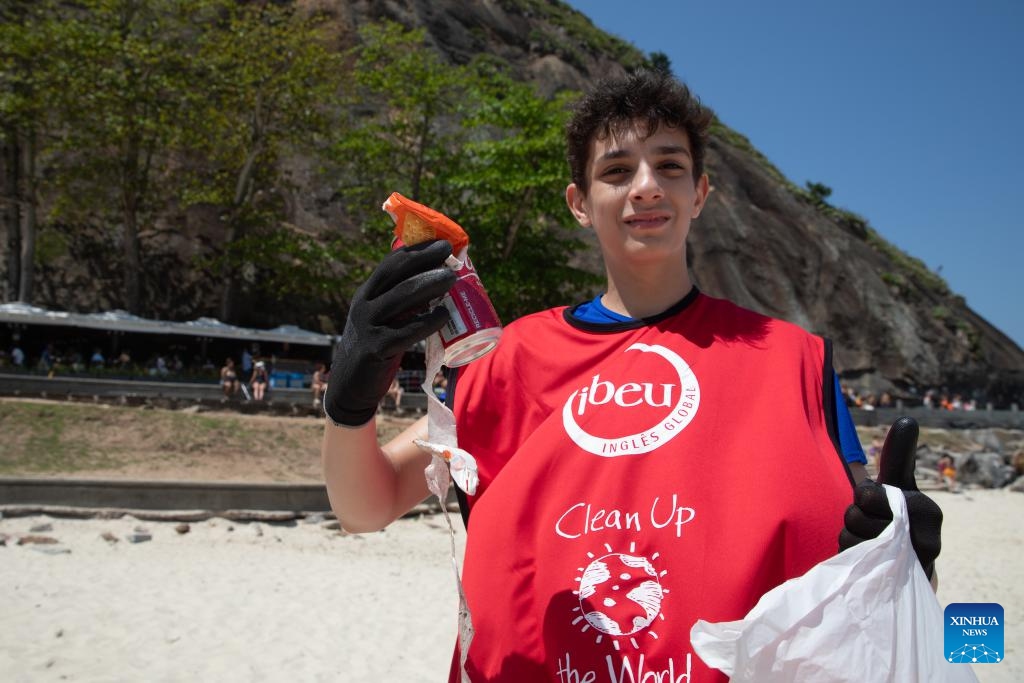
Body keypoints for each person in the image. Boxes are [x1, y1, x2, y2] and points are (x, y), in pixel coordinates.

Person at [320, 70, 942, 682]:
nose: (645, 186)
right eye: (616, 171)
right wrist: (350, 401)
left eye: (669, 166)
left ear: (699, 193)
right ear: (580, 204)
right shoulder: (508, 360)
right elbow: (364, 506)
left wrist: (907, 555)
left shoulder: (792, 360)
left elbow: (865, 576)